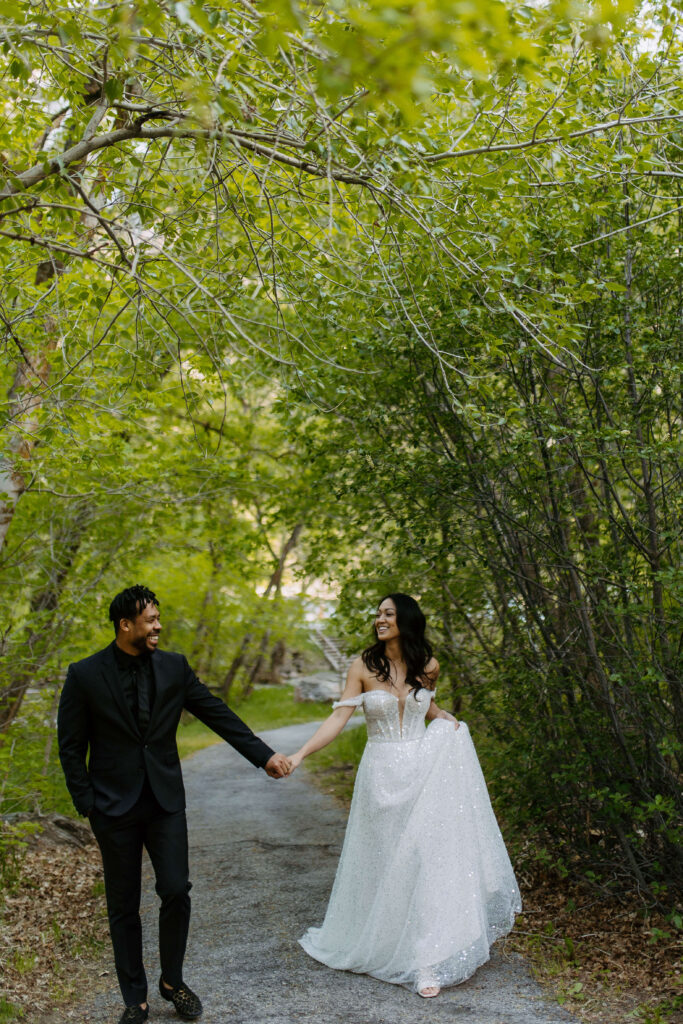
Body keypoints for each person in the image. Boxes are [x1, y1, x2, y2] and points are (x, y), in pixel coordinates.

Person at [57, 585, 292, 1024]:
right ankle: (135, 997)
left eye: (158, 618)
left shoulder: (174, 667)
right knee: (123, 904)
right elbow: (71, 746)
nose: (158, 626)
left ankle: (173, 981)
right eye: (149, 620)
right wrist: (87, 802)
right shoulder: (85, 674)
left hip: (165, 802)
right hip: (113, 808)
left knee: (176, 890)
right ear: (125, 624)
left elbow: (216, 713)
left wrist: (264, 756)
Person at [289, 593, 521, 998]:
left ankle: (425, 958)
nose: (380, 619)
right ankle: (381, 940)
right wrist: (300, 754)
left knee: (422, 860)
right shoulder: (361, 666)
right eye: (378, 614)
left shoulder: (427, 666)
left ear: (406, 621)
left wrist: (449, 723)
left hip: (423, 771)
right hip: (379, 774)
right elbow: (339, 717)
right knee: (383, 860)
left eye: (388, 614)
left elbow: (427, 709)